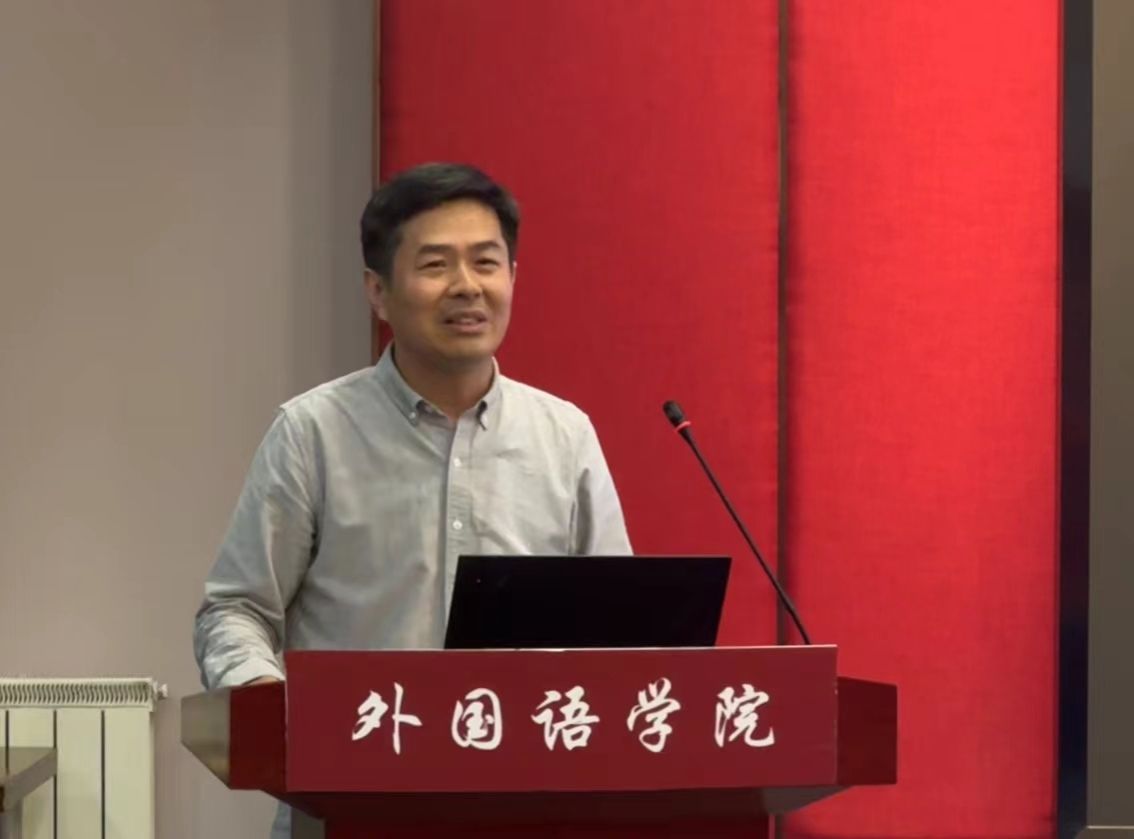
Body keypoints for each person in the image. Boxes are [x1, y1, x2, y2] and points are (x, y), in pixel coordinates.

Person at [192, 162, 632, 836]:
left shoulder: (564, 436)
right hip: (349, 799)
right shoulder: (314, 433)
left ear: (513, 276)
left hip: (527, 805)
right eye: (435, 265)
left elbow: (619, 631)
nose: (468, 286)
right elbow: (235, 608)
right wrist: (267, 701)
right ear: (378, 291)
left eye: (486, 262)